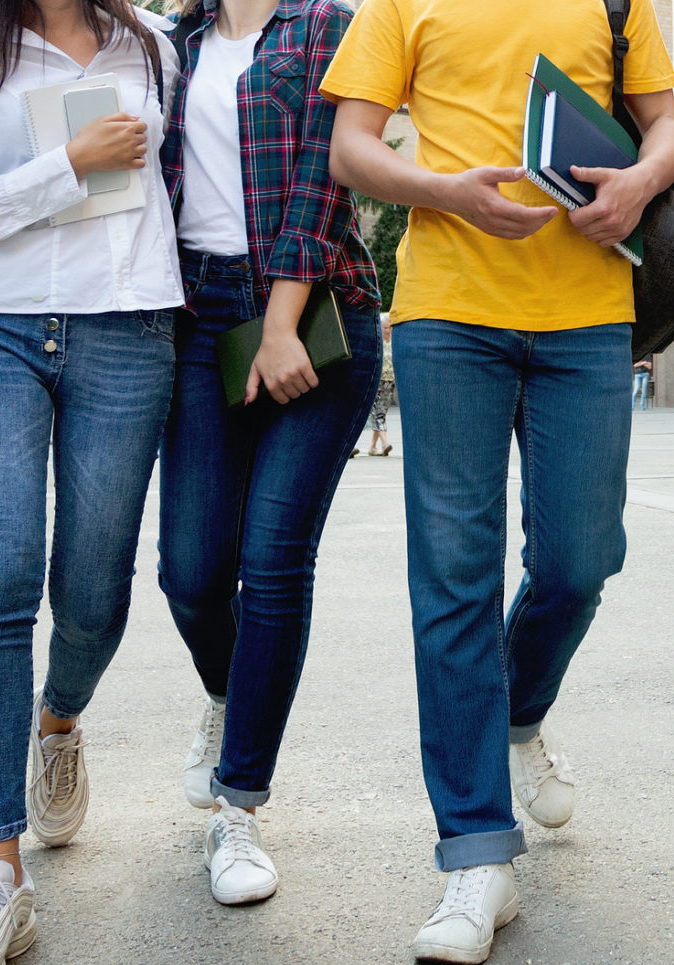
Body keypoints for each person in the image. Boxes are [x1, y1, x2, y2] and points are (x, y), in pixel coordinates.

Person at [323, 0, 674, 965]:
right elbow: (351, 149)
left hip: (589, 314)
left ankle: (519, 711)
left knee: (581, 558)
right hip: (449, 311)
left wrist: (642, 184)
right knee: (453, 576)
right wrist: (447, 192)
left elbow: (668, 129)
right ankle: (476, 854)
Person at [0, 0, 181, 965]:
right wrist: (68, 162)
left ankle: (57, 719)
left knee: (96, 588)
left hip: (128, 331)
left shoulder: (154, 43)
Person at [158, 0, 382, 907]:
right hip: (196, 316)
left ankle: (238, 804)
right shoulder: (166, 44)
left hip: (318, 310)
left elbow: (324, 181)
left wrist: (282, 322)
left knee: (274, 561)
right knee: (191, 575)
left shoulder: (331, 24)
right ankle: (229, 696)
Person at [360, 359, 398, 456]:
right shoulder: (379, 345)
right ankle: (385, 443)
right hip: (377, 381)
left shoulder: (393, 344)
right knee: (378, 412)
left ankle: (373, 447)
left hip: (390, 382)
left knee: (381, 413)